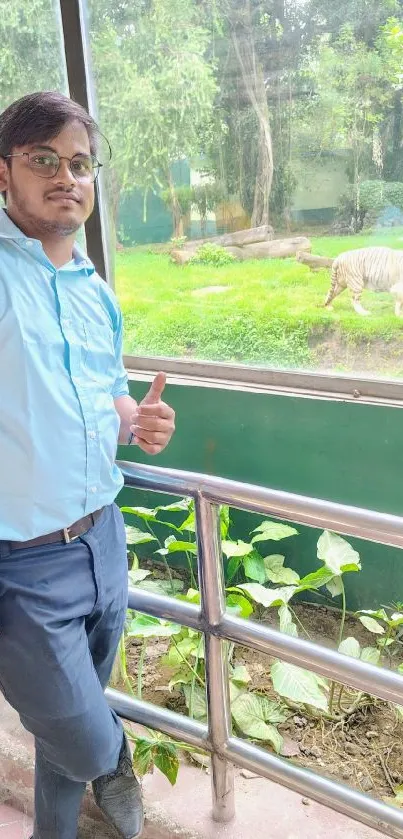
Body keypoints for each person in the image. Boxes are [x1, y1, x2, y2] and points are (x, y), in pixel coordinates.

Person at [0, 90, 176, 839]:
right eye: (44, 158)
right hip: (24, 561)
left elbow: (108, 390)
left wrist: (136, 419)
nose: (65, 175)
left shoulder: (95, 293)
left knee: (60, 737)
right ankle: (115, 756)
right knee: (81, 729)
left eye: (79, 162)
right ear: (4, 172)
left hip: (103, 539)